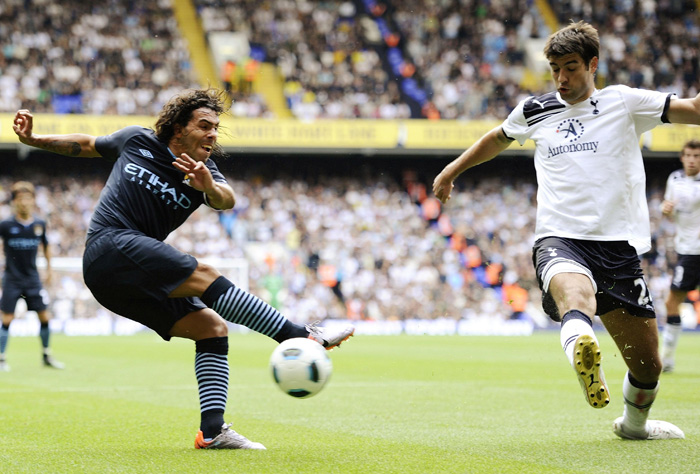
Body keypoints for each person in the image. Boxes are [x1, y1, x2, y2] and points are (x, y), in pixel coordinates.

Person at [12, 88, 354, 450]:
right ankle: (299, 335)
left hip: (123, 282)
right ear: (178, 128)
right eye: (204, 125)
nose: (212, 134)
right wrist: (35, 139)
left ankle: (212, 431)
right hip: (108, 248)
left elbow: (226, 199)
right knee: (204, 274)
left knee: (211, 327)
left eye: (216, 128)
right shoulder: (136, 140)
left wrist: (208, 186)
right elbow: (85, 144)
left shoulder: (207, 172)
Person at [433, 21, 700, 440]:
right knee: (576, 297)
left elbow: (695, 110)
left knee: (647, 365)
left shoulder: (624, 102)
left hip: (617, 246)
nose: (561, 79)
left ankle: (633, 426)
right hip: (560, 237)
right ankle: (581, 348)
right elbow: (497, 138)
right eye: (555, 68)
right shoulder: (534, 111)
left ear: (593, 64)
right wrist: (452, 171)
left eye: (571, 67)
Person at [0, 181, 65, 371]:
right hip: (12, 278)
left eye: (28, 198)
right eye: (20, 199)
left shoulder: (39, 224)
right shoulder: (5, 225)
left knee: (44, 316)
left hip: (32, 278)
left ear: (33, 201)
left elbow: (46, 246)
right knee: (7, 319)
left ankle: (46, 356)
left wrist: (50, 268)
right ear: (14, 202)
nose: (24, 202)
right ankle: (1, 359)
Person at [659, 139, 700, 373]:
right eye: (689, 155)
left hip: (695, 250)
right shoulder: (674, 180)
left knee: (672, 302)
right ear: (682, 157)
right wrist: (666, 211)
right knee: (672, 303)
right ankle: (667, 359)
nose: (692, 159)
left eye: (697, 155)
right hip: (686, 251)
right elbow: (669, 214)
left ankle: (667, 358)